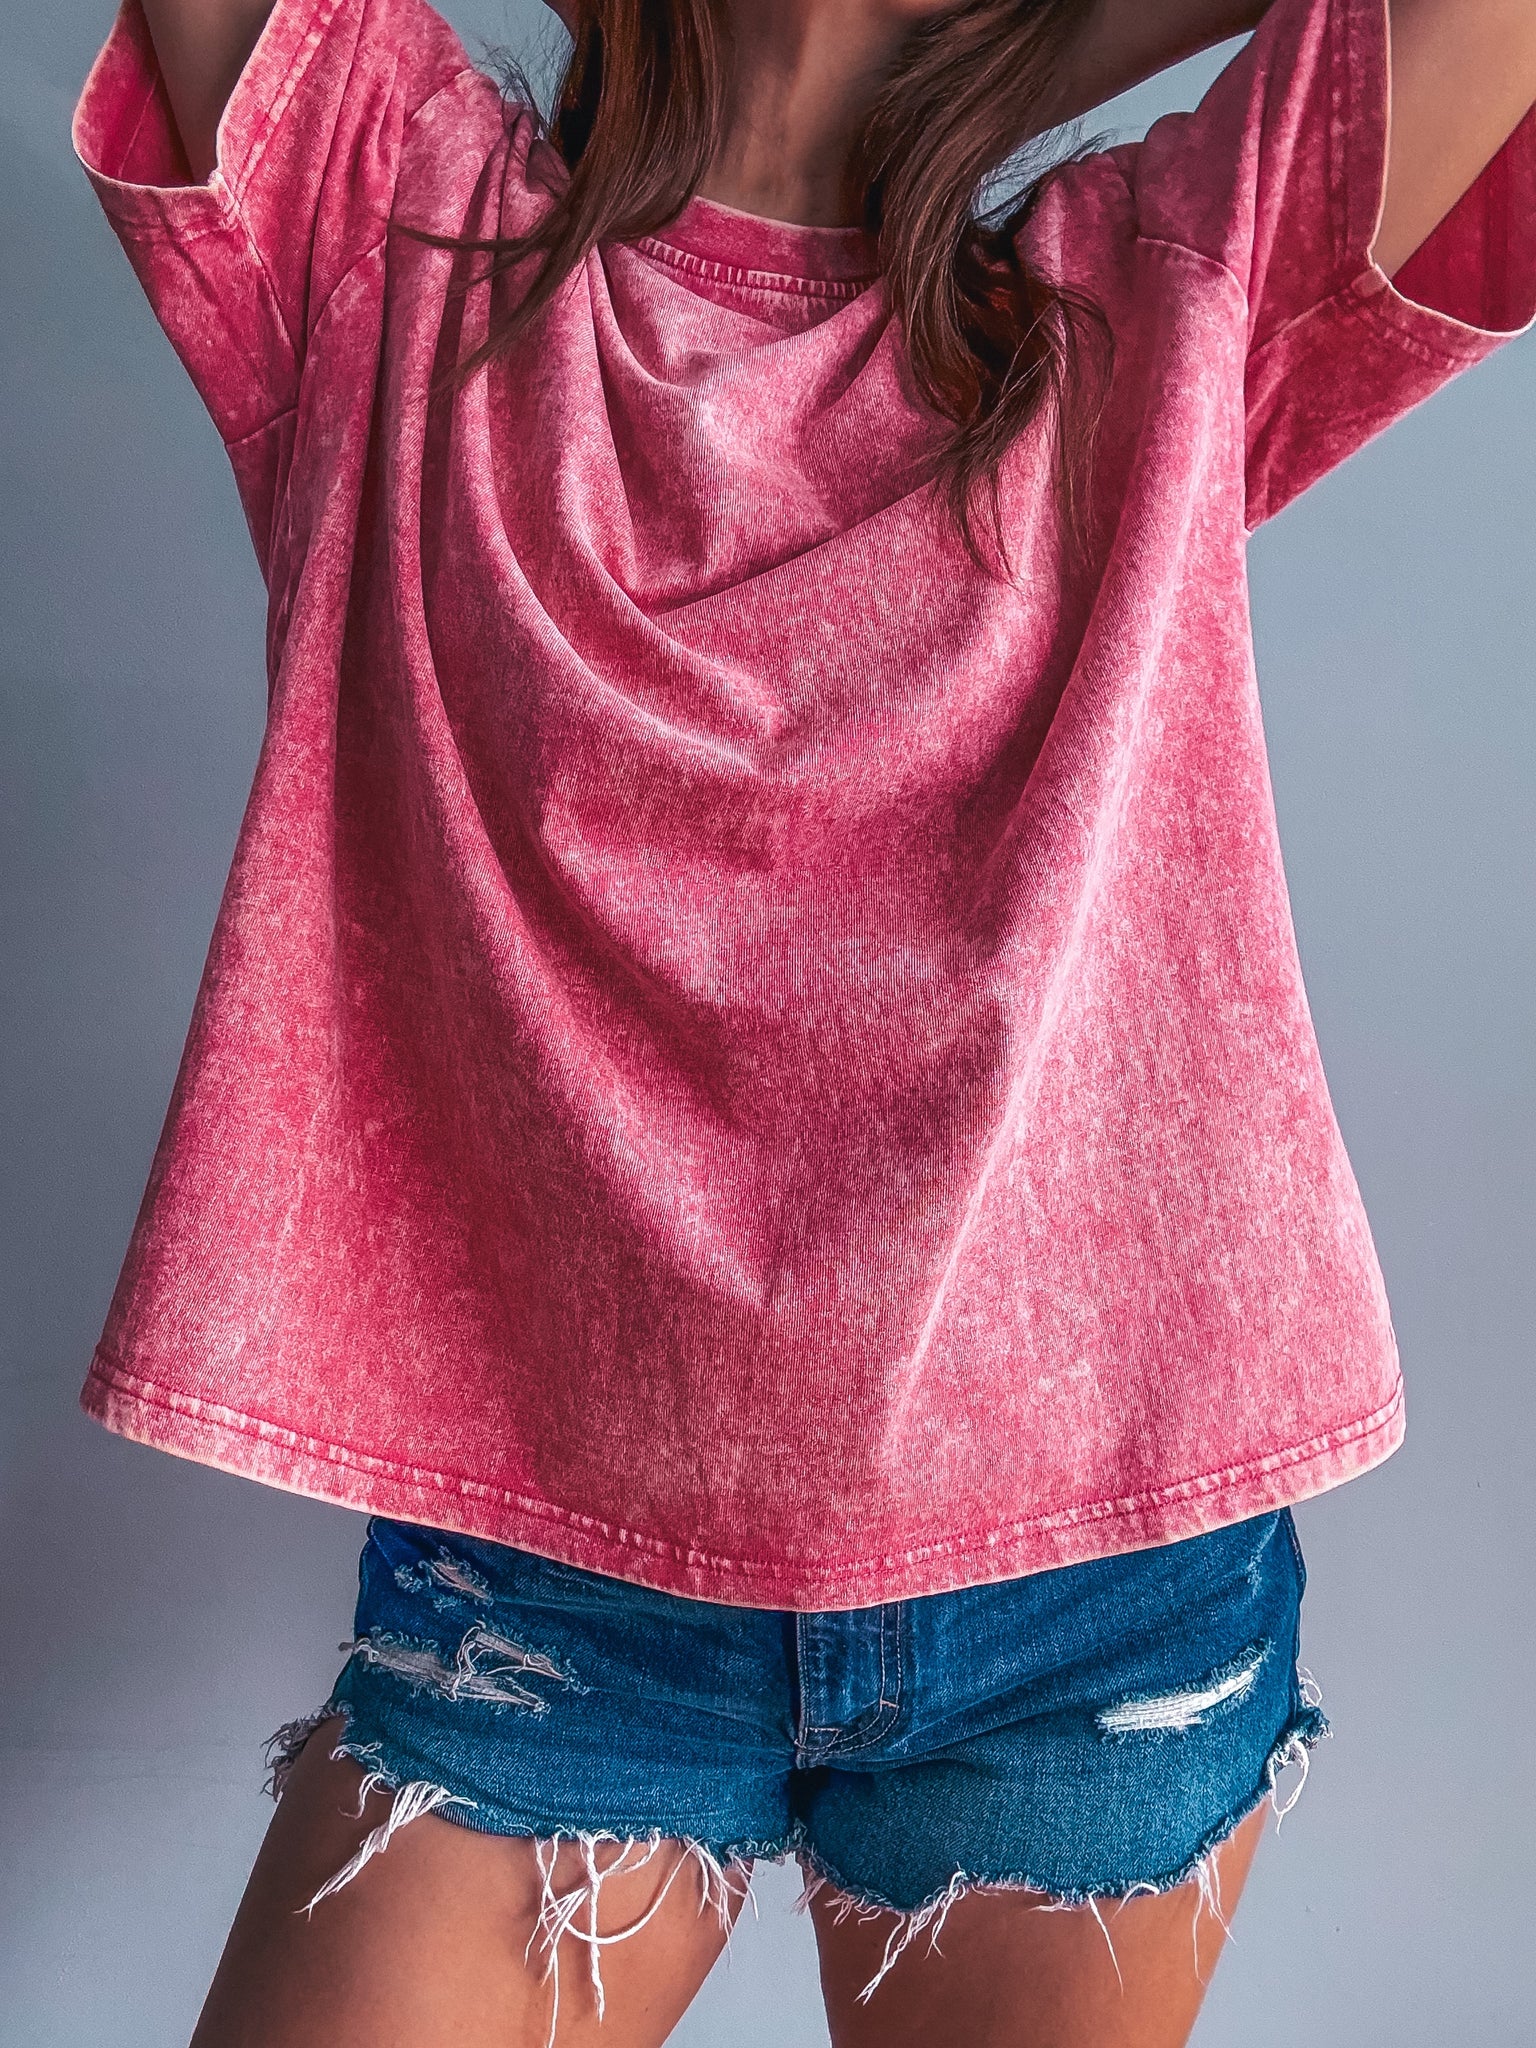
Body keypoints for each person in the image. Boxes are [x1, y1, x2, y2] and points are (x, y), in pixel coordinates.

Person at [68, 0, 1535, 2040]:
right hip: (558, 1566)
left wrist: (995, 70)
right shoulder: (381, 219)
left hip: (1087, 1577)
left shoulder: (1168, 283)